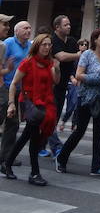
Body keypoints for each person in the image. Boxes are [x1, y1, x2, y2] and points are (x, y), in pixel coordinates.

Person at [3, 33, 60, 186]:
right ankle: (34, 173)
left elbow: (56, 81)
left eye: (49, 45)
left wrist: (57, 69)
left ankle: (7, 164)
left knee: (26, 136)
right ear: (37, 46)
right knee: (34, 138)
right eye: (44, 44)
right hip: (30, 103)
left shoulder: (49, 63)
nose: (47, 47)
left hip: (45, 103)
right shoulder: (27, 62)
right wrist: (11, 104)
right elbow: (14, 83)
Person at [55, 29, 100, 177]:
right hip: (86, 98)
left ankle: (97, 166)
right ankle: (61, 158)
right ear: (95, 39)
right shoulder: (87, 54)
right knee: (80, 130)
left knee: (98, 133)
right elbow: (79, 75)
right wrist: (97, 79)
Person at [47, 15, 83, 157]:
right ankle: (56, 146)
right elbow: (61, 57)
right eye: (65, 25)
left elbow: (74, 62)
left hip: (64, 84)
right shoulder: (51, 40)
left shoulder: (72, 41)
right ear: (57, 27)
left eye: (69, 24)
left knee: (54, 117)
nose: (69, 27)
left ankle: (38, 144)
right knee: (50, 117)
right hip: (51, 84)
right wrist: (79, 54)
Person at [0, 20, 32, 173]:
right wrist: (7, 69)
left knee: (13, 124)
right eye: (25, 28)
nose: (28, 30)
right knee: (8, 120)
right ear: (17, 31)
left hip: (21, 89)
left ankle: (6, 156)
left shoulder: (30, 46)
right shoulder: (7, 43)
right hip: (6, 87)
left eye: (30, 28)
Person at [59, 38, 89, 133]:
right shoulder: (74, 57)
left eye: (85, 45)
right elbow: (70, 69)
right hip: (73, 83)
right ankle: (63, 121)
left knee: (77, 105)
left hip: (83, 84)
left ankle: (74, 124)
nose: (84, 46)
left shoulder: (88, 58)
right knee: (71, 105)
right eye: (82, 44)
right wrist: (72, 78)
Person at [0, 14, 14, 140]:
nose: (8, 27)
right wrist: (8, 69)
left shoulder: (2, 45)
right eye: (5, 24)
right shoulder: (3, 45)